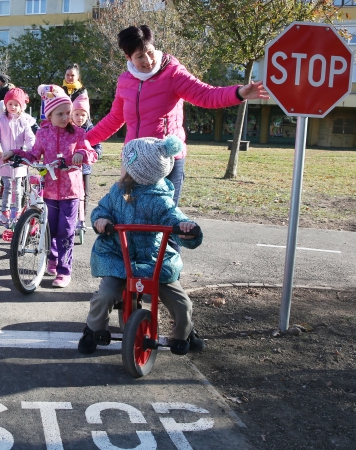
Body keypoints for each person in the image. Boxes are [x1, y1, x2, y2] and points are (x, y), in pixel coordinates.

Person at [86, 25, 268, 207]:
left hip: (166, 158)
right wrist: (85, 140)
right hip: (135, 160)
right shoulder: (125, 81)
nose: (148, 60)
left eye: (149, 52)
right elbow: (114, 119)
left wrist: (238, 93)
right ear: (128, 57)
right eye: (139, 56)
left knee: (165, 220)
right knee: (130, 216)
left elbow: (205, 95)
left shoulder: (173, 73)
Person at [78, 135, 204, 356]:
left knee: (181, 304)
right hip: (119, 256)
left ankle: (185, 333)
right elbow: (101, 209)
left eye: (124, 164)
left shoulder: (161, 200)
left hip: (152, 261)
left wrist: (187, 229)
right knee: (105, 295)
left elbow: (175, 218)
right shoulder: (117, 192)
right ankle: (93, 330)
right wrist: (101, 220)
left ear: (134, 171)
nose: (121, 167)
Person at [2, 85, 97, 288]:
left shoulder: (78, 133)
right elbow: (34, 155)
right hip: (51, 190)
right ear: (50, 115)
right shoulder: (43, 134)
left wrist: (82, 155)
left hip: (71, 191)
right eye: (59, 113)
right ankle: (52, 259)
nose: (65, 117)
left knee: (66, 230)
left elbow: (92, 153)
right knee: (51, 229)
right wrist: (16, 153)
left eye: (67, 113)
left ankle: (64, 270)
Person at [0, 87, 36, 225]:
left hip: (20, 159)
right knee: (8, 186)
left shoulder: (24, 121)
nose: (13, 107)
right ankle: (5, 211)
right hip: (4, 159)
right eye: (10, 104)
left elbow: (30, 138)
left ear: (21, 106)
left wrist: (30, 150)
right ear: (6, 104)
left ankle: (18, 211)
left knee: (19, 186)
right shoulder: (0, 120)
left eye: (16, 104)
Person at [70, 92, 102, 229]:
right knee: (72, 193)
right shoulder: (69, 129)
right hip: (70, 169)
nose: (80, 118)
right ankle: (73, 216)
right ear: (72, 114)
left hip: (85, 168)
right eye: (76, 114)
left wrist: (93, 155)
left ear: (87, 115)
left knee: (85, 193)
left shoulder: (91, 129)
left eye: (83, 115)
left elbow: (98, 147)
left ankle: (81, 218)